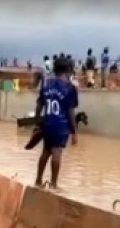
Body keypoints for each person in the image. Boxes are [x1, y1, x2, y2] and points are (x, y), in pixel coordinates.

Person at [32, 57, 78, 189]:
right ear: (69, 71)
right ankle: (53, 184)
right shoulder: (70, 88)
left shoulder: (46, 83)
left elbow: (39, 105)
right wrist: (74, 132)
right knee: (56, 153)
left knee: (46, 151)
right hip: (60, 125)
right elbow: (70, 112)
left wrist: (36, 123)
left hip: (47, 122)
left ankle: (38, 180)